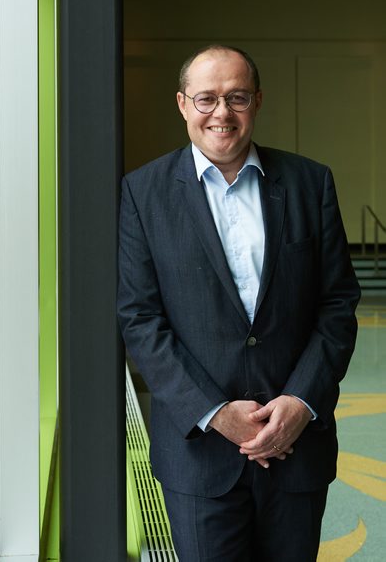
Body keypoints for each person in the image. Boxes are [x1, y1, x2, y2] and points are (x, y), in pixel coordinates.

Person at [117, 44, 360, 561]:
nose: (221, 113)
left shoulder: (309, 183)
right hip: (199, 456)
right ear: (183, 104)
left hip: (297, 446)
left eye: (237, 97)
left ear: (257, 102)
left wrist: (302, 402)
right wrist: (214, 412)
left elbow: (336, 305)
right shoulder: (142, 193)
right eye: (206, 99)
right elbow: (140, 319)